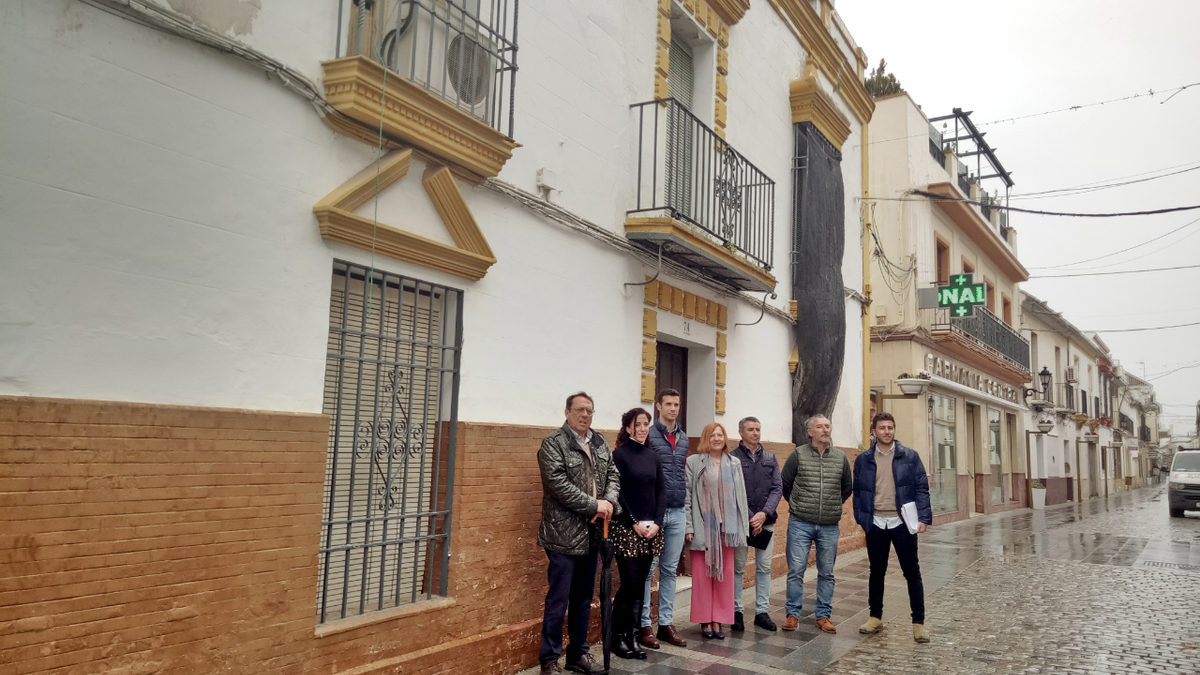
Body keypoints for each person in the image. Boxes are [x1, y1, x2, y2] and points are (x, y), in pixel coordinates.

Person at [537, 392, 621, 675]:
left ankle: (578, 655)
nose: (585, 415)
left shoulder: (599, 442)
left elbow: (613, 475)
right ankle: (549, 660)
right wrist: (592, 505)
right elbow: (557, 485)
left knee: (584, 598)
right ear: (567, 412)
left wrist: (608, 502)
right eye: (580, 410)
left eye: (590, 411)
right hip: (562, 536)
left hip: (593, 534)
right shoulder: (553, 443)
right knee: (558, 599)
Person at [854, 412, 932, 643]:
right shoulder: (863, 459)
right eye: (882, 428)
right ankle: (875, 617)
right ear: (874, 432)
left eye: (890, 427)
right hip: (876, 523)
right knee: (876, 572)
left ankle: (918, 623)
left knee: (912, 572)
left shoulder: (910, 456)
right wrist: (862, 517)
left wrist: (923, 518)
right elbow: (858, 491)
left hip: (902, 522)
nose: (887, 431)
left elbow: (921, 488)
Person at [780, 414, 852, 634]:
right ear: (810, 432)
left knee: (827, 572)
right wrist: (800, 504)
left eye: (828, 426)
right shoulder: (798, 455)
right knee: (796, 570)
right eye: (820, 427)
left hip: (829, 525)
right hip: (800, 523)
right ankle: (792, 614)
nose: (825, 430)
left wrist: (831, 505)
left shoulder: (840, 458)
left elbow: (847, 487)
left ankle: (823, 615)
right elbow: (785, 484)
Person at [610, 408, 666, 661]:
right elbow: (617, 493)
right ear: (629, 427)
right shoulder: (619, 456)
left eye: (646, 424)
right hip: (627, 529)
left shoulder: (653, 456)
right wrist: (633, 522)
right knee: (629, 583)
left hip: (651, 529)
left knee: (641, 584)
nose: (643, 428)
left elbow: (661, 492)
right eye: (638, 424)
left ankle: (633, 636)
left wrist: (657, 522)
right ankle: (617, 637)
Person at [685, 422, 749, 639]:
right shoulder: (694, 462)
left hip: (727, 529)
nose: (716, 438)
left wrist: (742, 526)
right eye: (712, 435)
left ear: (725, 438)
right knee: (702, 576)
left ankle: (719, 620)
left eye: (720, 435)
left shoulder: (734, 463)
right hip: (704, 527)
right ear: (706, 438)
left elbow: (741, 496)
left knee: (725, 576)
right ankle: (705, 620)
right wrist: (689, 526)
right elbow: (687, 496)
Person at [638, 389, 689, 649]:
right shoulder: (650, 433)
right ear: (658, 406)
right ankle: (644, 625)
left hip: (678, 510)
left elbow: (682, 475)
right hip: (654, 512)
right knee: (648, 570)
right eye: (668, 403)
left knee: (670, 571)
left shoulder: (683, 438)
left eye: (676, 404)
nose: (673, 408)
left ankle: (666, 623)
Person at [730, 416, 783, 632]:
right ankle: (736, 611)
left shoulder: (770, 457)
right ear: (741, 433)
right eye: (751, 429)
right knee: (738, 568)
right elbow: (733, 490)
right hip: (742, 523)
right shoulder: (732, 458)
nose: (755, 433)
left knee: (764, 568)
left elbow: (777, 488)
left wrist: (764, 514)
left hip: (766, 522)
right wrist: (751, 516)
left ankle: (762, 611)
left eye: (758, 429)